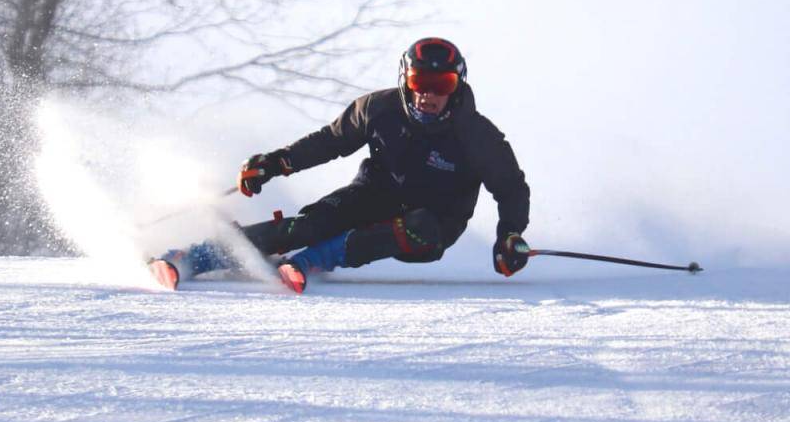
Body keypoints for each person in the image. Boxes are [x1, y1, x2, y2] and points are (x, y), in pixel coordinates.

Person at [149, 37, 531, 292]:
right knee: (312, 224)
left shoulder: (478, 136)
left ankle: (313, 261)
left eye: (442, 85)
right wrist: (276, 163)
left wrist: (509, 236)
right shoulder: (379, 109)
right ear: (405, 80)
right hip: (374, 194)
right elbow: (331, 141)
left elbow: (511, 188)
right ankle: (194, 257)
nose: (429, 95)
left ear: (457, 85)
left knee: (420, 228)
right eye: (420, 82)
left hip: (435, 222)